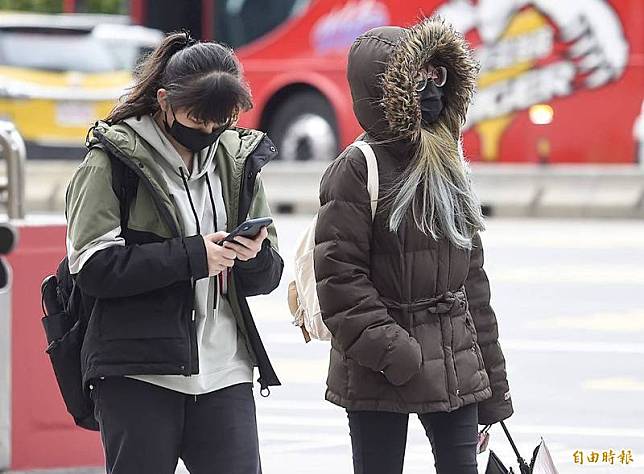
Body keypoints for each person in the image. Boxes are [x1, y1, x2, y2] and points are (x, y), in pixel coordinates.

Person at [65, 31, 283, 474]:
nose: (207, 132)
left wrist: (253, 256)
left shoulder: (237, 161)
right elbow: (92, 267)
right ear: (164, 101)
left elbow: (267, 276)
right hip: (139, 372)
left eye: (219, 122)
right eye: (196, 119)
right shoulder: (112, 162)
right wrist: (193, 257)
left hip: (226, 370)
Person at [313, 17, 513, 474]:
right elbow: (341, 286)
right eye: (416, 79)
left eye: (437, 77)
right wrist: (402, 357)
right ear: (387, 92)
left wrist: (493, 394)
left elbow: (473, 287)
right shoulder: (357, 169)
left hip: (457, 364)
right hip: (381, 368)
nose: (431, 91)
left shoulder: (450, 161)